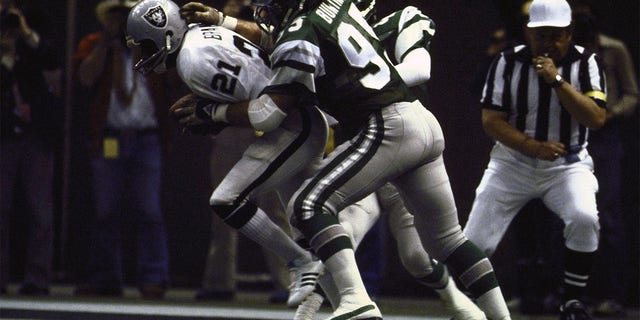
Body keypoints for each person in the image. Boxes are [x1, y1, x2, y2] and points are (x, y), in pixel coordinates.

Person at [175, 1, 513, 319]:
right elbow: (280, 37)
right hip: (417, 123)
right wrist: (224, 20)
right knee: (449, 241)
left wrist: (214, 111)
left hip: (385, 128)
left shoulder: (303, 31)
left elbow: (268, 113)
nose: (271, 10)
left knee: (306, 206)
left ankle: (355, 301)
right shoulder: (337, 10)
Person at [126, 0, 326, 307]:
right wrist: (212, 111)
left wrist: (211, 112)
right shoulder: (201, 35)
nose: (142, 55)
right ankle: (337, 294)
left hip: (293, 122)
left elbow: (264, 111)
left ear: (166, 37)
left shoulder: (192, 64)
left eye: (145, 45)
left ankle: (301, 263)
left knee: (229, 200)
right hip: (293, 117)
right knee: (307, 219)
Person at [292, 3, 486, 319]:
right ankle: (322, 302)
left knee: (416, 257)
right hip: (361, 146)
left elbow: (420, 68)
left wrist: (359, 85)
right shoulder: (321, 35)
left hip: (401, 144)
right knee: (341, 226)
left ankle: (456, 301)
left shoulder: (397, 23)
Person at [462, 0, 607, 319]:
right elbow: (491, 121)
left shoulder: (587, 62)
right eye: (542, 35)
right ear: (529, 34)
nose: (550, 43)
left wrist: (557, 82)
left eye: (557, 35)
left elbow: (596, 118)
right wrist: (532, 146)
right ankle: (466, 308)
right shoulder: (506, 61)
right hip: (512, 164)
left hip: (566, 166)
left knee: (585, 218)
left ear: (569, 34)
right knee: (474, 243)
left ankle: (572, 302)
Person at [193, 0, 292, 304]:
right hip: (229, 128)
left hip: (263, 122)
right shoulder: (218, 26)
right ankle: (219, 280)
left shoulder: (271, 20)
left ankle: (290, 282)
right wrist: (230, 13)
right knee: (223, 205)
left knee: (274, 208)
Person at [72, 0, 172, 299]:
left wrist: (142, 40)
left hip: (146, 137)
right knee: (106, 210)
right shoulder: (93, 43)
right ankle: (106, 277)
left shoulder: (152, 45)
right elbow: (84, 77)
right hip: (110, 138)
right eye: (115, 16)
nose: (120, 21)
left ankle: (154, 277)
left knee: (149, 210)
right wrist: (107, 43)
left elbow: (172, 75)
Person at [572, 3, 639, 317]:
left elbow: (631, 93)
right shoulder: (567, 51)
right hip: (573, 135)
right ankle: (576, 294)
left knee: (609, 216)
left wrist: (612, 113)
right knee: (574, 214)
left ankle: (614, 294)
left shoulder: (614, 50)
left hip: (606, 135)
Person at [0, 0, 62, 296]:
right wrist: (6, 58)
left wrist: (25, 33)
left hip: (35, 131)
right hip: (3, 131)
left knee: (40, 209)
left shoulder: (34, 21)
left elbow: (52, 60)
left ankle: (37, 278)